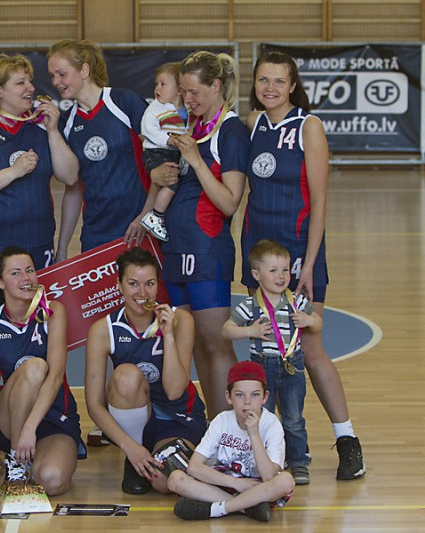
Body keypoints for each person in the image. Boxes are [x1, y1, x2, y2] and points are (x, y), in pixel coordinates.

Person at [243, 50, 365, 480]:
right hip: (257, 255)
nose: (270, 88)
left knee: (309, 348)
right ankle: (275, 448)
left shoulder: (308, 127)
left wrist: (310, 263)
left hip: (298, 253)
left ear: (292, 84)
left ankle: (348, 440)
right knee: (267, 349)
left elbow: (319, 202)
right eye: (263, 80)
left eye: (278, 80)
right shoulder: (252, 125)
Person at [154, 51, 250, 417]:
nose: (188, 99)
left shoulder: (231, 131)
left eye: (194, 92)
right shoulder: (191, 126)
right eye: (183, 92)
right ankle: (214, 423)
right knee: (192, 344)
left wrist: (194, 159)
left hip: (207, 251)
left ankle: (236, 427)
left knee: (215, 342)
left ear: (216, 86)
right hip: (177, 249)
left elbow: (228, 202)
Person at [0, 53, 79, 320]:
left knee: (39, 326)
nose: (31, 88)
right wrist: (13, 171)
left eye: (30, 81)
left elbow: (70, 176)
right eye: (21, 83)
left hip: (36, 244)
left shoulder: (42, 125)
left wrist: (54, 131)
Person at [85, 248, 206, 494]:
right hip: (137, 421)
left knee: (165, 483)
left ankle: (164, 458)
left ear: (157, 285)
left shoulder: (181, 320)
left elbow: (174, 391)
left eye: (149, 284)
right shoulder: (103, 330)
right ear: (118, 285)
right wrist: (129, 446)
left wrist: (168, 336)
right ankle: (135, 459)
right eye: (133, 284)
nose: (142, 293)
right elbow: (94, 405)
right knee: (125, 376)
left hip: (178, 417)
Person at [0, 247, 87, 496]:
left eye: (30, 270)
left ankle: (36, 461)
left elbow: (56, 376)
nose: (26, 278)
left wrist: (29, 429)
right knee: (35, 366)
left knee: (51, 480)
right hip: (9, 418)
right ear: (0, 282)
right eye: (15, 273)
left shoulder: (53, 312)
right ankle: (16, 463)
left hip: (53, 416)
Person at [222, 240, 320, 485]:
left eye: (285, 270)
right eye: (273, 270)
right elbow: (226, 330)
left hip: (292, 365)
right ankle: (263, 458)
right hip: (262, 368)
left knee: (294, 416)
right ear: (256, 274)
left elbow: (318, 322)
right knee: (262, 415)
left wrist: (308, 321)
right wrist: (250, 331)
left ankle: (297, 461)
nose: (281, 276)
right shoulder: (251, 306)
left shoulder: (296, 301)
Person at [47, 39, 153, 258]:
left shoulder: (125, 103)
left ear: (84, 69)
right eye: (52, 76)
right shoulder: (66, 123)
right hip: (96, 234)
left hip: (139, 229)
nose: (55, 82)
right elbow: (73, 188)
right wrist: (63, 247)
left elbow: (161, 167)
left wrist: (147, 216)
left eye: (61, 74)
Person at [168, 361, 295, 522]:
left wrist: (254, 434)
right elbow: (194, 467)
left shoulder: (271, 425)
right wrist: (235, 483)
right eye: (240, 395)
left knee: (285, 481)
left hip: (259, 487)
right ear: (228, 397)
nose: (247, 401)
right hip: (226, 482)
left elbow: (269, 477)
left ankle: (216, 509)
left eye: (255, 395)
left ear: (265, 397)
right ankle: (247, 507)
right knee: (175, 479)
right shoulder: (222, 420)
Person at [138, 62, 188, 242]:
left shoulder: (186, 110)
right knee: (171, 182)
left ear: (180, 90)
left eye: (163, 84)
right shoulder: (155, 109)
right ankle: (155, 215)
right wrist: (169, 140)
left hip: (171, 153)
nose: (157, 88)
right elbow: (147, 130)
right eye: (156, 84)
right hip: (156, 153)